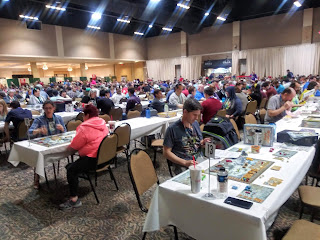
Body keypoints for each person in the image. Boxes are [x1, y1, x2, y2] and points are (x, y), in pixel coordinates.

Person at [59, 105, 109, 210]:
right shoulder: (103, 123)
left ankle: (74, 200)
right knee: (72, 166)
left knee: (71, 170)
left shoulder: (84, 127)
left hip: (92, 159)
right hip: (105, 158)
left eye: (83, 115)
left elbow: (74, 147)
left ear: (87, 115)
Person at [163, 98, 210, 174]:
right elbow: (166, 152)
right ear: (185, 112)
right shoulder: (173, 129)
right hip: (183, 164)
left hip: (198, 159)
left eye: (198, 115)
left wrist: (202, 143)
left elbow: (198, 142)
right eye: (194, 115)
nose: (197, 118)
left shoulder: (195, 124)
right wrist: (184, 162)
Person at [28, 100, 67, 189]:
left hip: (56, 142)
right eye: (46, 108)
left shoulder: (58, 118)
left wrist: (62, 130)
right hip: (44, 144)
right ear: (43, 109)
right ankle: (36, 180)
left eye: (50, 108)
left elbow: (65, 131)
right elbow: (29, 132)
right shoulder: (39, 119)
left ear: (54, 108)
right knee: (38, 157)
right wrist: (38, 130)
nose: (48, 110)